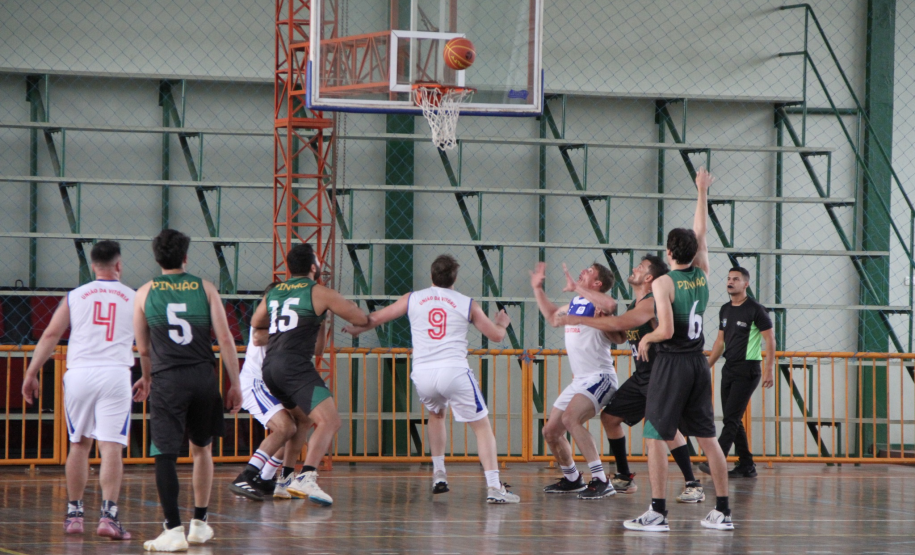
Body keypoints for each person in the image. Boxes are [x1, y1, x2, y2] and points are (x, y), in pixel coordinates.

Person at [342, 254, 520, 503]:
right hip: (454, 371)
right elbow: (497, 337)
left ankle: (439, 473)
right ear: (454, 277)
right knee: (482, 428)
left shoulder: (413, 298)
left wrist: (355, 327)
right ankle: (494, 488)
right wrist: (501, 322)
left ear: (431, 276)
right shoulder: (467, 303)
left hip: (424, 374)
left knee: (436, 415)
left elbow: (377, 318)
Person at [623, 167, 735, 532]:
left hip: (672, 363)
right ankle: (723, 511)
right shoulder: (702, 271)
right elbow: (701, 233)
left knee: (655, 433)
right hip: (699, 364)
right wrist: (702, 192)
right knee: (708, 438)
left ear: (669, 252)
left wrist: (647, 338)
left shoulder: (663, 283)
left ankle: (657, 510)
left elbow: (667, 329)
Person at [22, 240, 147, 541]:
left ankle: (74, 514)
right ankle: (109, 516)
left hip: (79, 374)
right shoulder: (133, 296)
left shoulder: (76, 295)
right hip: (115, 374)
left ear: (92, 265)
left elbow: (51, 333)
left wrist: (31, 372)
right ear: (119, 265)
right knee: (111, 447)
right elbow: (145, 343)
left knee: (78, 444)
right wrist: (149, 377)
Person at [557, 254, 705, 503]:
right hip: (642, 376)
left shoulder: (653, 302)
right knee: (610, 417)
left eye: (641, 267)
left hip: (662, 374)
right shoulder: (633, 307)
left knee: (664, 428)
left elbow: (661, 329)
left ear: (649, 278)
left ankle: (693, 483)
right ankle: (624, 476)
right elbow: (621, 336)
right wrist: (605, 322)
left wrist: (590, 318)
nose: (634, 269)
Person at [134, 229, 243, 552]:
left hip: (168, 380)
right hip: (203, 377)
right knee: (202, 449)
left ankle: (172, 529)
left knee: (164, 453)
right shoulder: (205, 288)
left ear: (156, 258)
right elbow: (225, 340)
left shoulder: (144, 293)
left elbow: (144, 349)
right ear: (185, 256)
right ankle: (199, 523)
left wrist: (146, 377)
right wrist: (234, 383)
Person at [250, 243, 369, 506]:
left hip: (271, 368)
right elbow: (360, 318)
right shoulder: (320, 292)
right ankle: (308, 476)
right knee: (330, 421)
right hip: (294, 367)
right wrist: (332, 305)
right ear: (314, 267)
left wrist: (313, 321)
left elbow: (255, 323)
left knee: (302, 422)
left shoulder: (276, 293)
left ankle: (284, 480)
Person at [531, 261, 619, 500]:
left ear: (597, 283)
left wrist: (576, 287)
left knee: (571, 419)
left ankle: (602, 480)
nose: (583, 270)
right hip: (580, 380)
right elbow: (552, 317)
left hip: (600, 377)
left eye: (589, 271)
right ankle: (572, 479)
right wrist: (537, 289)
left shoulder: (599, 303)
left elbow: (611, 304)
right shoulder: (576, 303)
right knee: (550, 432)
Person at [229, 283, 316, 501]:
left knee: (302, 422)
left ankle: (267, 478)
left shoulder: (290, 321)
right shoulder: (267, 319)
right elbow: (258, 338)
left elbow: (318, 349)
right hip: (256, 383)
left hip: (275, 383)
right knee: (285, 427)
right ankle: (247, 475)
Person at [698, 267, 775, 478]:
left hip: (748, 368)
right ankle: (746, 465)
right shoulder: (725, 309)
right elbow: (720, 341)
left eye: (736, 279)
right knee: (733, 418)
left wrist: (769, 370)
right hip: (729, 368)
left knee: (731, 419)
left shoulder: (756, 310)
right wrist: (706, 367)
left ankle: (716, 460)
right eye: (729, 278)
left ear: (746, 284)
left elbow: (770, 340)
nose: (730, 282)